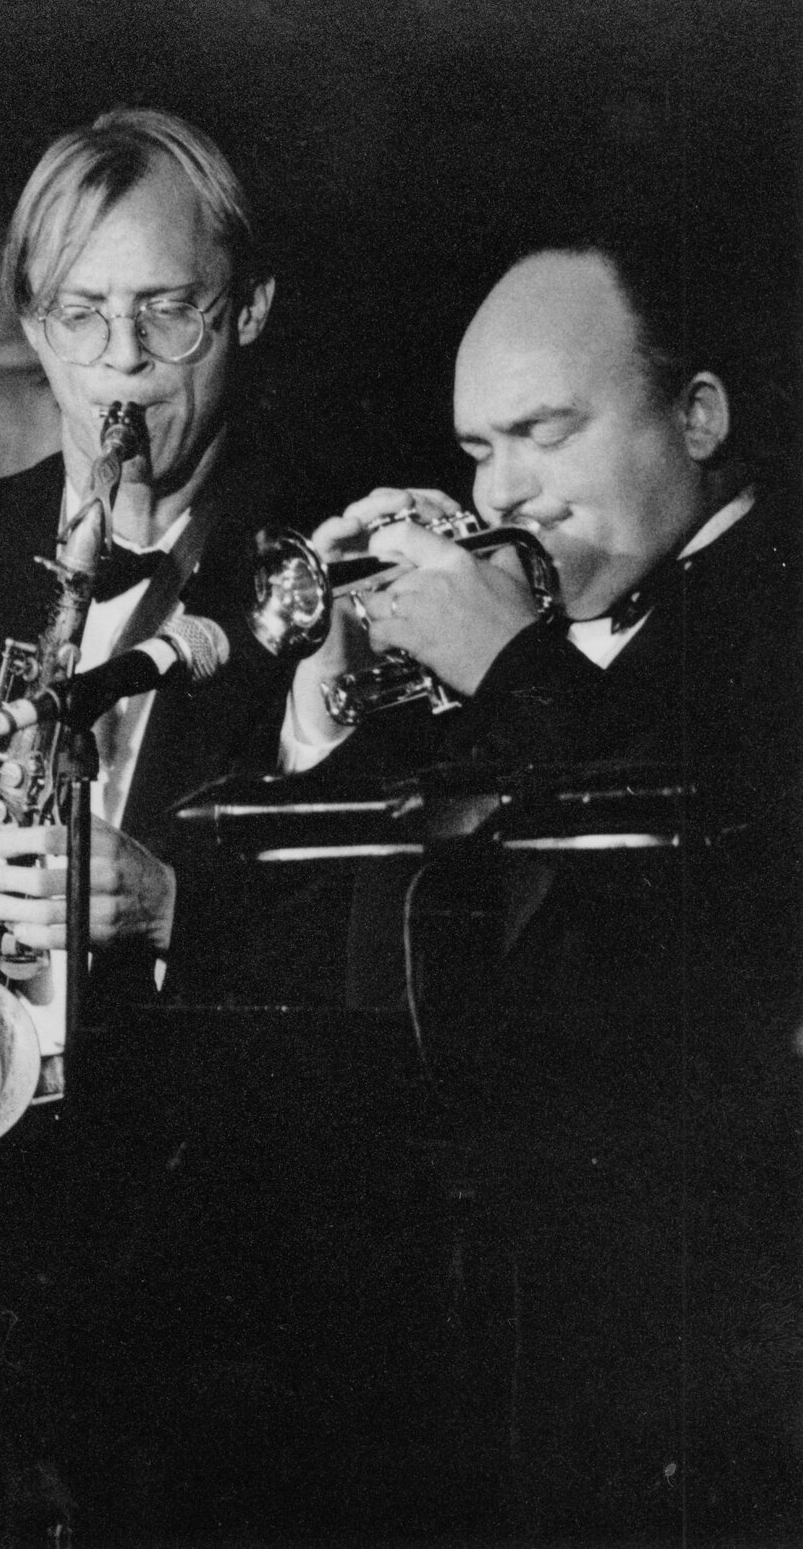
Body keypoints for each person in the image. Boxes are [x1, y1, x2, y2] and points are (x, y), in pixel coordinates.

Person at [0, 106, 351, 1545]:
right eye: (79, 314)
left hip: (195, 1315)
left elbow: (391, 972)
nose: (120, 363)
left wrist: (174, 908)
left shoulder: (327, 583)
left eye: (169, 310)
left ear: (249, 309)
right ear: (30, 326)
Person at [281, 240, 803, 1539]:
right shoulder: (553, 644)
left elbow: (722, 896)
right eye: (478, 449)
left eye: (545, 433)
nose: (502, 490)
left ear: (698, 416)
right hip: (513, 1346)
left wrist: (512, 665)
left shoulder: (770, 609)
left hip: (712, 1358)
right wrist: (336, 693)